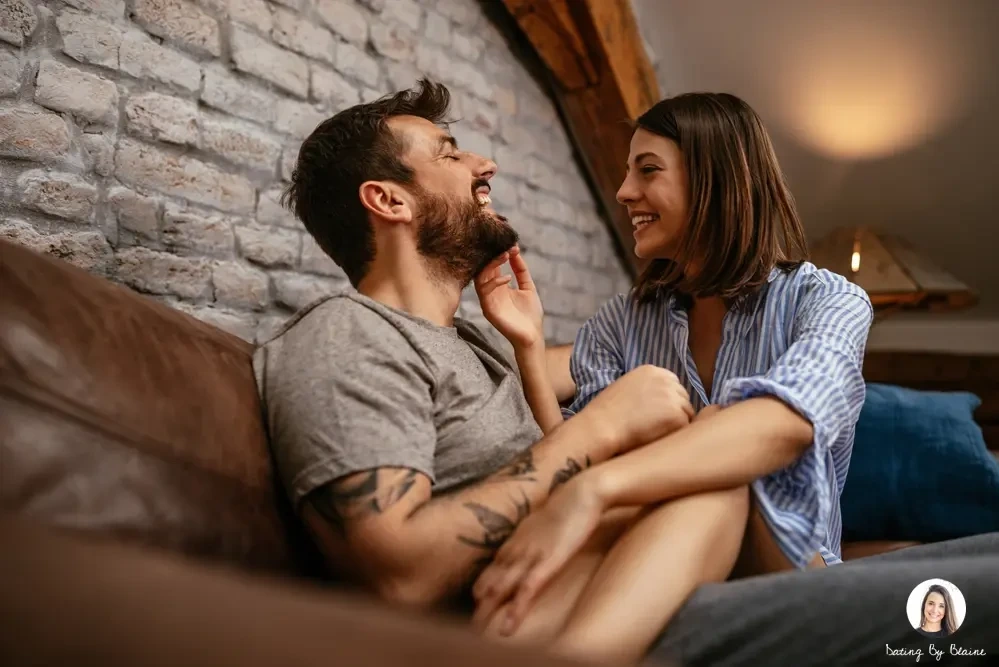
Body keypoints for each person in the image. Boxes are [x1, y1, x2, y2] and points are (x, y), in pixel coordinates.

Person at [252, 79, 694, 617]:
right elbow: (399, 574)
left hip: (621, 580)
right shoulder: (345, 335)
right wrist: (601, 426)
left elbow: (600, 377)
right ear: (390, 200)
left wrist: (529, 343)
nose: (486, 166)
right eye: (450, 154)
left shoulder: (476, 340)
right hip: (552, 615)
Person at [470, 92, 874, 664]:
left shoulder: (830, 301)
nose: (624, 192)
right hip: (651, 556)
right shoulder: (621, 320)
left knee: (720, 442)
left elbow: (786, 425)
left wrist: (597, 488)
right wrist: (530, 347)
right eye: (627, 172)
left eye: (648, 170)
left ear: (718, 180)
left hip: (784, 568)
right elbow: (572, 452)